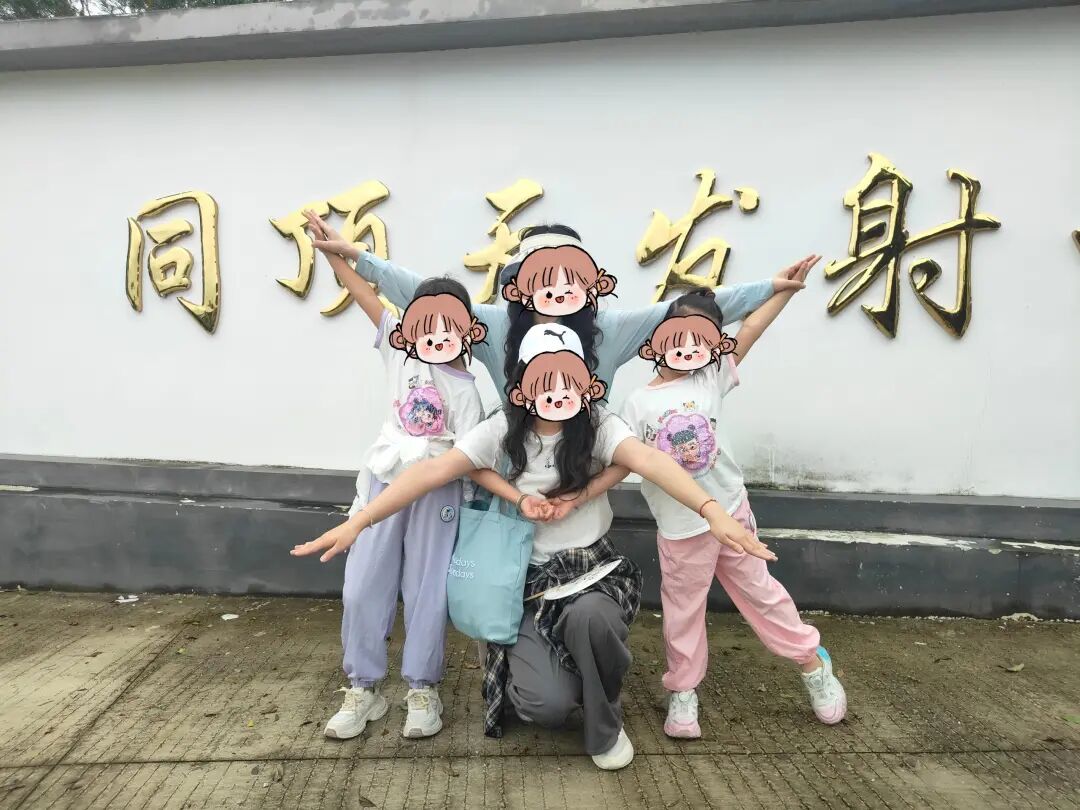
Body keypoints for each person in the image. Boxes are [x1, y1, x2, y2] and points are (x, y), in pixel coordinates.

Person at [292, 323, 777, 771]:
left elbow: (650, 460)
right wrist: (362, 520)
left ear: (586, 383)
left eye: (569, 378)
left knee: (593, 621)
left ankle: (605, 723)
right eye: (545, 378)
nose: (558, 391)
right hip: (525, 582)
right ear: (522, 387)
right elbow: (433, 470)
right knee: (545, 706)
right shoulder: (503, 428)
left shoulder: (599, 424)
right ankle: (562, 670)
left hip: (588, 572)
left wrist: (712, 510)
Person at [299, 211, 534, 741]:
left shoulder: (470, 392)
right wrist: (336, 251)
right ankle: (363, 687)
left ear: (469, 331)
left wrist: (515, 499)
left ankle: (423, 689)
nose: (437, 333)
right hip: (385, 480)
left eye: (450, 324)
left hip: (439, 493)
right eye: (427, 322)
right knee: (363, 586)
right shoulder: (397, 349)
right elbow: (362, 291)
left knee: (427, 591)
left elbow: (472, 459)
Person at [619, 268, 848, 740]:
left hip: (732, 512)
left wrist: (780, 291)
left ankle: (811, 662)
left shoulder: (712, 375)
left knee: (760, 594)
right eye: (678, 335)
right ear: (658, 337)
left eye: (702, 338)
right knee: (683, 610)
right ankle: (683, 689)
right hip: (680, 528)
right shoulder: (637, 402)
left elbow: (752, 327)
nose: (689, 347)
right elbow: (621, 458)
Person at [306, 221, 814, 400]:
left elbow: (690, 312)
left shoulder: (609, 329)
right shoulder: (496, 325)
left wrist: (770, 287)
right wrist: (357, 257)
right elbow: (424, 295)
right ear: (518, 285)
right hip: (511, 471)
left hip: (583, 474)